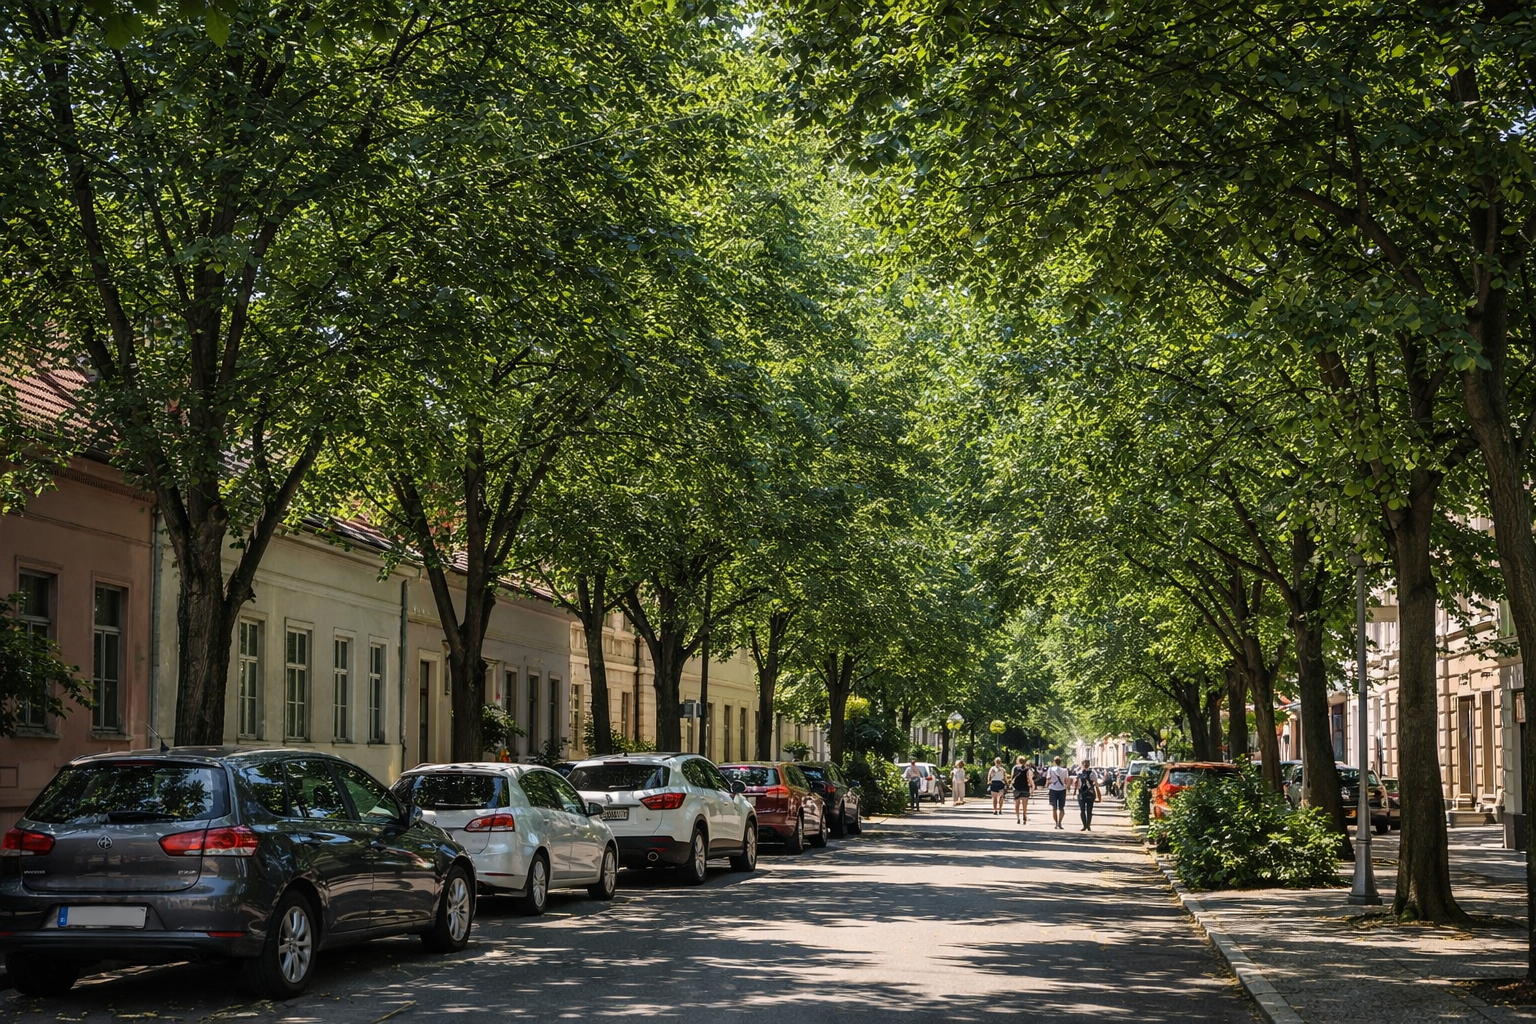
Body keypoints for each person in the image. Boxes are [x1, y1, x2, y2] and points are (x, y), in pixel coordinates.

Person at [1045, 756, 1071, 829]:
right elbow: (1067, 780)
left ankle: (1056, 823)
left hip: (1053, 789)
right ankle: (1060, 822)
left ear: (1054, 762)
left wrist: (1047, 785)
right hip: (1062, 789)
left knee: (1054, 808)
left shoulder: (1050, 769)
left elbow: (1048, 779)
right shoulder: (1065, 770)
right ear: (1060, 762)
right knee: (1061, 808)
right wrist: (1068, 788)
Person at [1074, 760, 1101, 831]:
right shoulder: (1093, 773)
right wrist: (1099, 796)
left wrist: (1075, 792)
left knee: (1082, 810)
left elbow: (1077, 784)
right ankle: (1088, 825)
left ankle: (1084, 825)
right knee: (1089, 810)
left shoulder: (1079, 773)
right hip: (1090, 793)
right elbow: (1096, 784)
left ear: (1082, 765)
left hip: (1081, 793)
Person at [1010, 755, 1032, 824]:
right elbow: (1029, 778)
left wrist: (1011, 784)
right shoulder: (1027, 769)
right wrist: (1031, 786)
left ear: (1018, 761)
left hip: (1016, 787)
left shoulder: (1015, 768)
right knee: (1025, 803)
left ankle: (1018, 817)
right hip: (1025, 787)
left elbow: (1012, 777)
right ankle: (1024, 815)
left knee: (1017, 803)